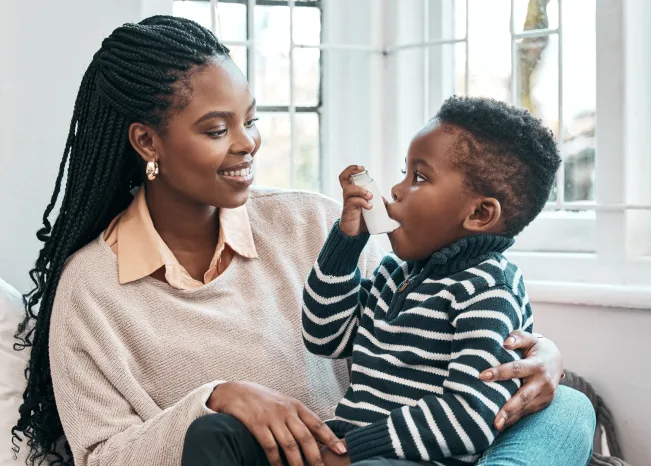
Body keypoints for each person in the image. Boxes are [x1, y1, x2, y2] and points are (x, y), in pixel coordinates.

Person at [10, 16, 594, 466]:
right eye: (218, 129)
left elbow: (434, 320)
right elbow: (100, 456)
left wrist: (538, 358)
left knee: (569, 408)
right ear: (147, 142)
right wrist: (213, 399)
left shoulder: (311, 221)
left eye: (251, 120)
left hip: (382, 449)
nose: (248, 144)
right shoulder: (92, 290)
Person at [298, 96, 564, 466]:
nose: (395, 190)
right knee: (223, 434)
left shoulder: (488, 287)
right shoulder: (395, 273)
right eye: (404, 172)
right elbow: (325, 335)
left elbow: (471, 415)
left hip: (406, 459)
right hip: (352, 448)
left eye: (419, 177)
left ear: (479, 213)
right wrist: (347, 244)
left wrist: (350, 453)